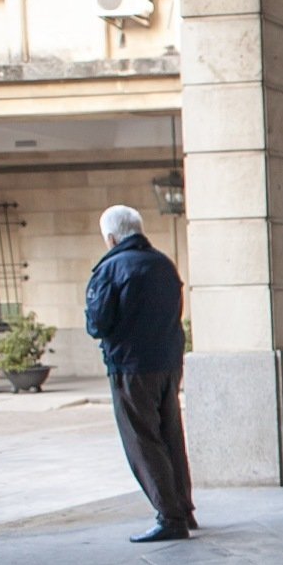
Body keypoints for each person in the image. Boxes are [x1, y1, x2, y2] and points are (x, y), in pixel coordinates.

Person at [85, 204, 195, 543]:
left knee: (142, 440)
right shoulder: (163, 263)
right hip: (168, 362)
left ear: (111, 237)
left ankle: (170, 516)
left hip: (132, 366)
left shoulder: (111, 269)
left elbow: (97, 323)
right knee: (171, 437)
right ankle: (184, 509)